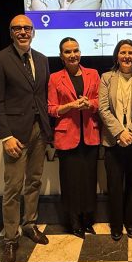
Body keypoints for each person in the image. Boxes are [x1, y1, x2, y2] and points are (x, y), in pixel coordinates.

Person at [0, 14, 51, 262]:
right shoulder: (0, 60)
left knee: (34, 181)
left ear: (33, 32)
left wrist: (48, 131)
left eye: (27, 28)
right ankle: (11, 239)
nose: (23, 32)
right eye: (18, 28)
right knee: (13, 187)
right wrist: (5, 136)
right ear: (11, 32)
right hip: (15, 134)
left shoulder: (42, 59)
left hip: (39, 131)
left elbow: (42, 96)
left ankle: (30, 224)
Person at [47, 37, 100, 239]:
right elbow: (51, 109)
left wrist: (89, 104)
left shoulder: (93, 74)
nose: (73, 55)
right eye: (68, 52)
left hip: (90, 134)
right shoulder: (54, 78)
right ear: (61, 56)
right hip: (66, 136)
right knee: (70, 182)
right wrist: (70, 106)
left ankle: (88, 220)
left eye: (75, 50)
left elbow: (99, 102)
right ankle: (74, 222)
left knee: (88, 180)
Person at [98, 39, 132, 241]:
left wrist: (130, 132)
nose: (127, 56)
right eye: (123, 52)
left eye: (130, 52)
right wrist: (120, 132)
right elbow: (103, 108)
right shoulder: (106, 78)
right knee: (114, 184)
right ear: (117, 56)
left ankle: (131, 223)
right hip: (113, 141)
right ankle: (116, 224)